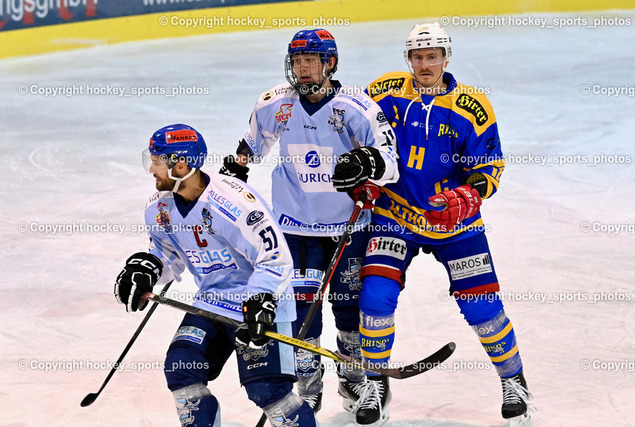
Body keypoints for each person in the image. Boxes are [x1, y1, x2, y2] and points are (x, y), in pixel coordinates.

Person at [348, 23, 533, 425]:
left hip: (456, 224)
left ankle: (513, 379)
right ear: (408, 59)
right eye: (418, 56)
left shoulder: (472, 105)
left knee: (482, 307)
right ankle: (375, 381)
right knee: (375, 298)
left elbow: (489, 165)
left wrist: (470, 194)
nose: (425, 63)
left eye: (432, 56)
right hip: (395, 217)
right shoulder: (383, 91)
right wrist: (363, 173)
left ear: (447, 58)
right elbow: (357, 132)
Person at [220, 29, 399, 415]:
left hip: (347, 228)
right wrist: (234, 171)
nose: (301, 68)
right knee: (302, 309)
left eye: (310, 60)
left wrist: (368, 162)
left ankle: (354, 380)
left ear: (329, 63)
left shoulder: (356, 107)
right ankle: (308, 381)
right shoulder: (275, 104)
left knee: (349, 307)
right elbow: (250, 146)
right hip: (295, 227)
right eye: (296, 61)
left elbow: (390, 161)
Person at [114, 124, 318, 426]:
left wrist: (259, 301)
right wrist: (148, 267)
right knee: (182, 368)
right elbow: (168, 253)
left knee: (269, 391)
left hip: (259, 305)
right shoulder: (159, 208)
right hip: (211, 302)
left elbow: (274, 257)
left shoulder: (233, 203)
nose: (151, 170)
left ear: (179, 165)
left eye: (156, 161)